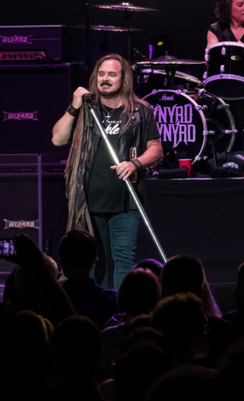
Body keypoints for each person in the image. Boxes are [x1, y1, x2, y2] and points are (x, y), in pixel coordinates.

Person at [53, 53, 163, 290]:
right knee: (92, 262)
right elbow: (57, 139)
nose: (105, 79)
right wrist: (73, 107)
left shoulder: (141, 111)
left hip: (125, 200)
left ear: (123, 79)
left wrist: (135, 164)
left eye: (111, 74)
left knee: (124, 261)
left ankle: (122, 313)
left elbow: (156, 149)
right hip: (88, 201)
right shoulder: (85, 109)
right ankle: (97, 310)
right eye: (101, 74)